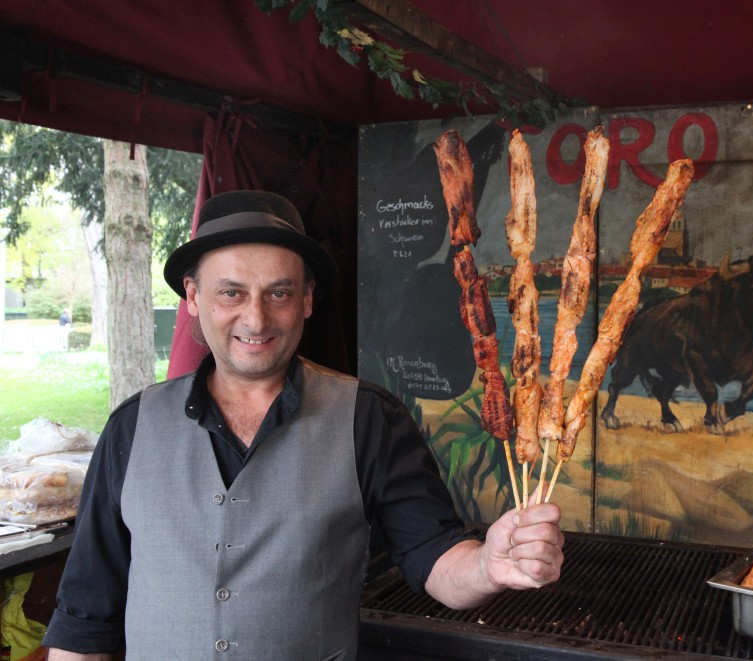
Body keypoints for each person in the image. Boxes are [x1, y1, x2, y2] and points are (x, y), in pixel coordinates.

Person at [42, 190, 564, 660]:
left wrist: (487, 566)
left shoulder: (369, 419)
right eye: (231, 293)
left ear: (307, 299)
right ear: (194, 297)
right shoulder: (132, 427)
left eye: (279, 293)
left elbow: (434, 558)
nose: (256, 319)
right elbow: (85, 618)